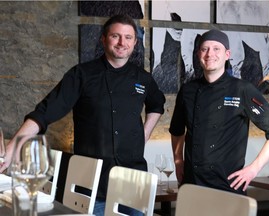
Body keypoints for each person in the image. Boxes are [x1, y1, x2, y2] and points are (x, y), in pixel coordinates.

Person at [0, 14, 165, 215]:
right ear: (103, 39)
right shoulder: (81, 74)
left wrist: (144, 134)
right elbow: (45, 111)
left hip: (133, 182)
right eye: (115, 36)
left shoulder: (143, 78)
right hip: (92, 185)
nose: (122, 42)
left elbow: (157, 104)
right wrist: (11, 149)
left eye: (128, 37)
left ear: (135, 42)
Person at [169, 29, 269, 195]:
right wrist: (178, 161)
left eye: (216, 49)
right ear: (198, 54)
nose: (210, 54)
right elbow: (177, 130)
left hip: (228, 187)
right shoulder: (187, 90)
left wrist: (254, 169)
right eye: (205, 49)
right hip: (192, 184)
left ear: (227, 54)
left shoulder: (242, 89)